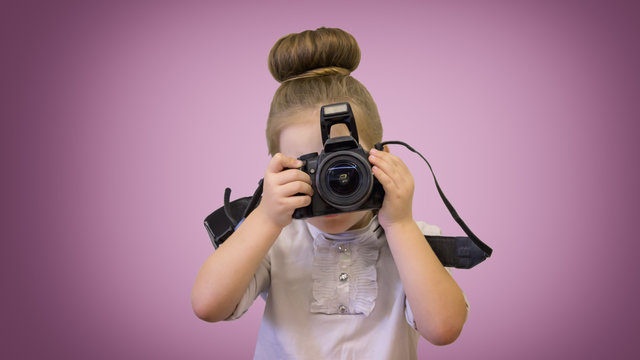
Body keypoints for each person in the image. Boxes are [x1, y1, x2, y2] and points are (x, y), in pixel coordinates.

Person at [191, 27, 468, 359]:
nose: (330, 182)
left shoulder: (412, 238)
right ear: (279, 170)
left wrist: (400, 225)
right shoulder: (276, 239)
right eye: (310, 166)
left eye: (344, 164)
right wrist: (265, 217)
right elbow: (208, 306)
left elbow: (443, 328)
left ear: (383, 157)